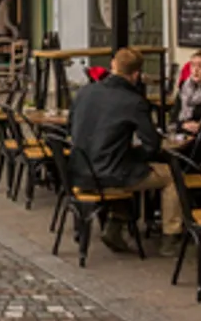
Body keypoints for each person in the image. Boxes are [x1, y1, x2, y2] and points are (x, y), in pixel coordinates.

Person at [69, 47, 173, 255]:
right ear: (136, 75)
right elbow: (152, 145)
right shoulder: (133, 101)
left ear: (113, 66)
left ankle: (118, 223)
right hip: (110, 175)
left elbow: (70, 126)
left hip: (78, 170)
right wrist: (137, 154)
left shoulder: (85, 91)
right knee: (171, 177)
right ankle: (171, 238)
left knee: (128, 165)